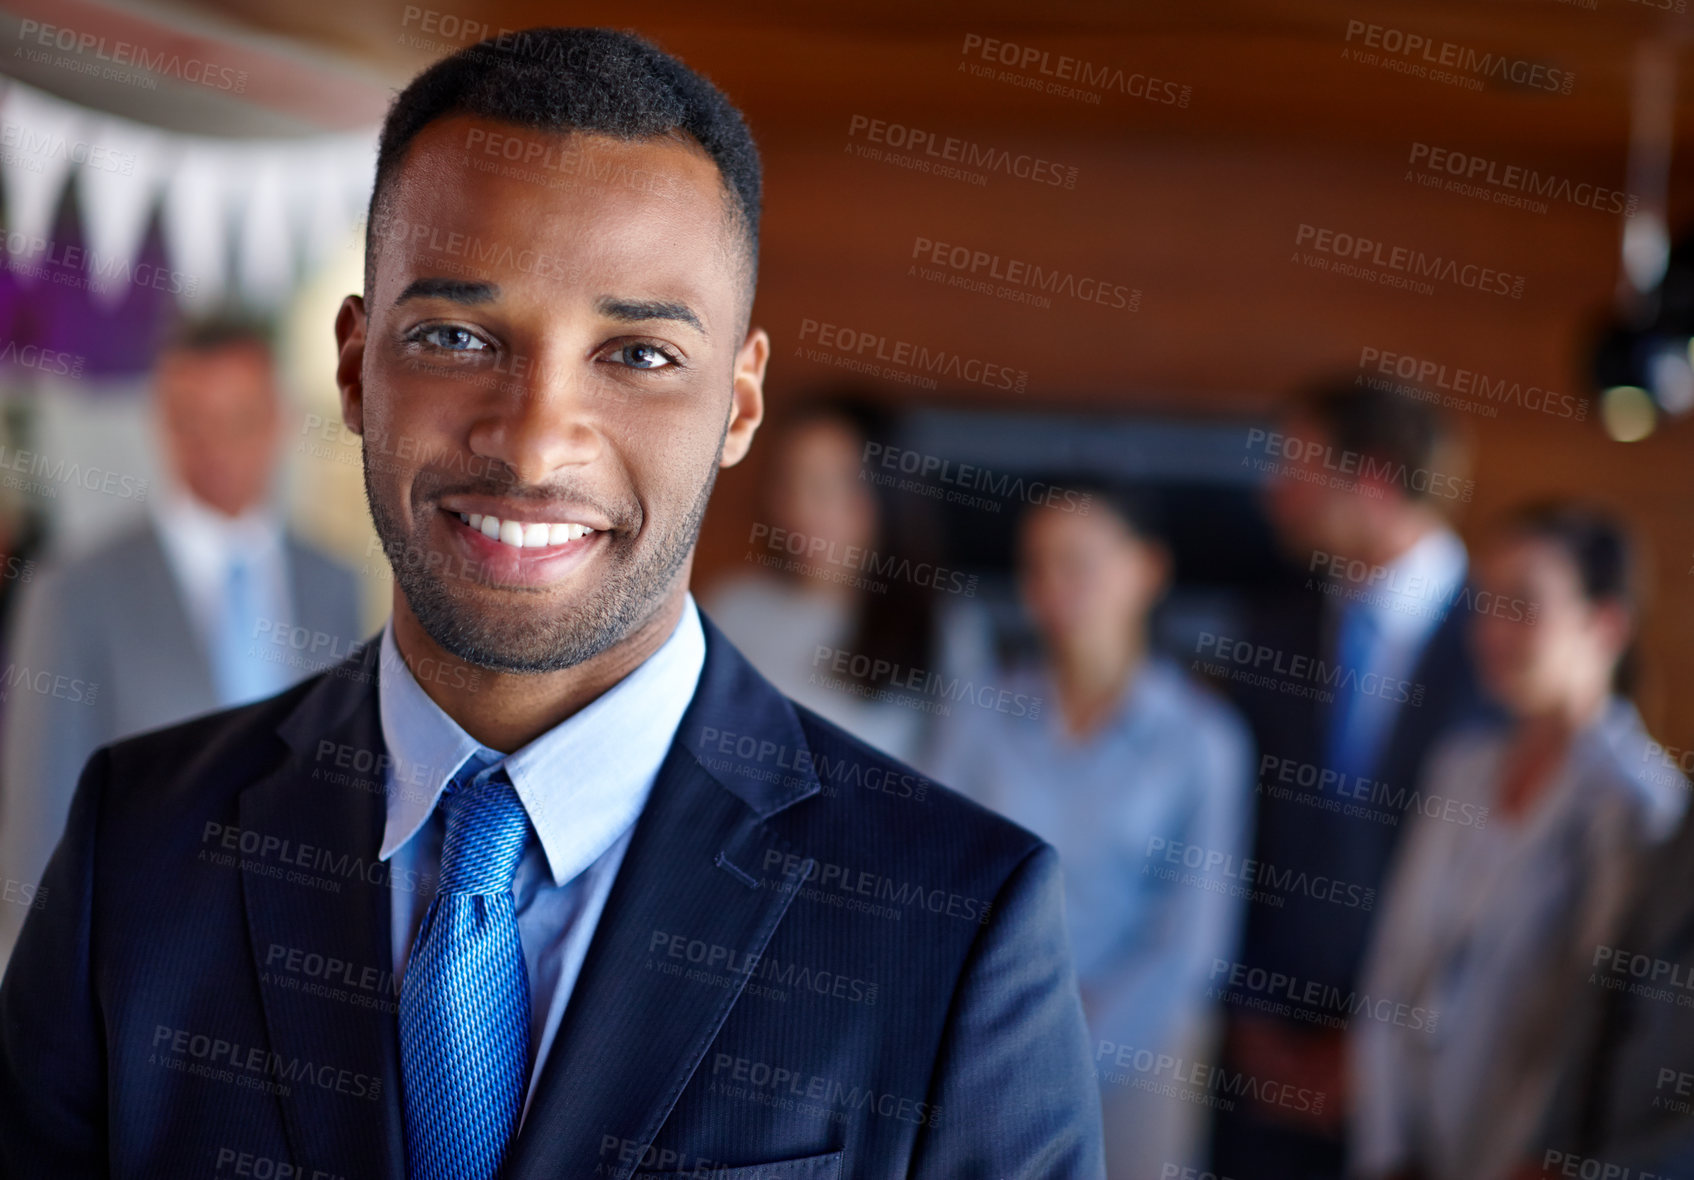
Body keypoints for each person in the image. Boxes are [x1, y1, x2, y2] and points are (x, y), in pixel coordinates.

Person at [0, 28, 1105, 1180]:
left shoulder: (956, 920)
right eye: (455, 336)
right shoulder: (139, 842)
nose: (532, 441)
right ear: (352, 368)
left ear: (736, 405)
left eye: (635, 355)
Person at [0, 317, 361, 969]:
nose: (216, 445)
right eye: (191, 419)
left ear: (279, 421)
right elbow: (39, 818)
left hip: (302, 955)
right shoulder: (74, 592)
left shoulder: (332, 583)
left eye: (240, 419)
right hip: (138, 964)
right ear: (161, 422)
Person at [1349, 502, 1685, 1180]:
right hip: (1410, 1149)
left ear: (1605, 622)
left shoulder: (1636, 802)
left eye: (1524, 605)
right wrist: (1387, 1145)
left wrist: (1542, 1154)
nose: (1493, 632)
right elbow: (1395, 965)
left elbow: (1596, 1018)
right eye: (1486, 604)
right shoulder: (1460, 766)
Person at [929, 487, 1255, 1179]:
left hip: (1137, 1058)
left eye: (1078, 561)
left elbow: (1192, 947)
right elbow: (932, 875)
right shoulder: (979, 713)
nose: (1053, 584)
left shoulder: (1203, 740)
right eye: (1038, 563)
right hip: (980, 1041)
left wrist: (1069, 1049)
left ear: (1148, 570)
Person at [1211, 384, 1491, 1179]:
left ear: (1370, 477)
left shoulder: (1504, 647)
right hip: (1258, 1080)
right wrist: (1251, 1019)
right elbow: (1235, 837)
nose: (1275, 494)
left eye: (1296, 467)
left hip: (1430, 1089)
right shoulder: (1269, 627)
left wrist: (1376, 1046)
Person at [706, 397, 940, 764]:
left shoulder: (942, 631)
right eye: (792, 484)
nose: (803, 509)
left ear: (887, 495)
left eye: (829, 487)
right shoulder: (732, 609)